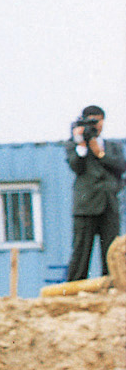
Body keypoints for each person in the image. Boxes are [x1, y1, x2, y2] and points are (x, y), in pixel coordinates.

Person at [66, 107, 121, 281]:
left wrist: (100, 153)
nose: (95, 126)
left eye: (97, 121)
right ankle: (75, 286)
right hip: (86, 206)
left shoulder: (112, 146)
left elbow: (121, 166)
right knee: (81, 251)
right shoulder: (73, 145)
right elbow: (76, 167)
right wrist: (81, 145)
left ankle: (112, 285)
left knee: (112, 252)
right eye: (91, 121)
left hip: (109, 204)